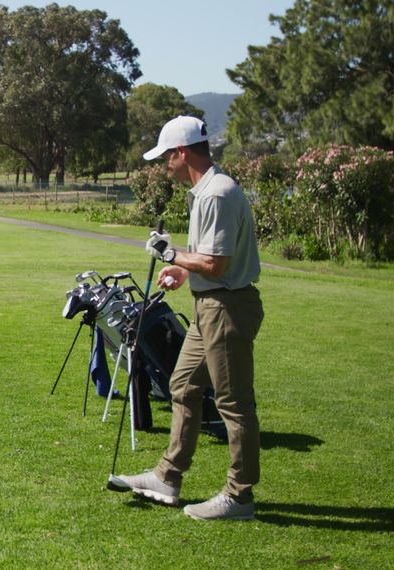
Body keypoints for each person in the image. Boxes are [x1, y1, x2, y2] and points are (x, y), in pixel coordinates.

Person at [112, 116, 263, 521]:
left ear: (182, 153)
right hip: (209, 306)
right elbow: (208, 264)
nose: (163, 165)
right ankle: (168, 476)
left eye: (165, 157)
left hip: (225, 309)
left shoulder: (216, 194)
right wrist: (182, 270)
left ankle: (239, 496)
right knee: (182, 385)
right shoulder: (204, 192)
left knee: (233, 403)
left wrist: (171, 255)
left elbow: (216, 264)